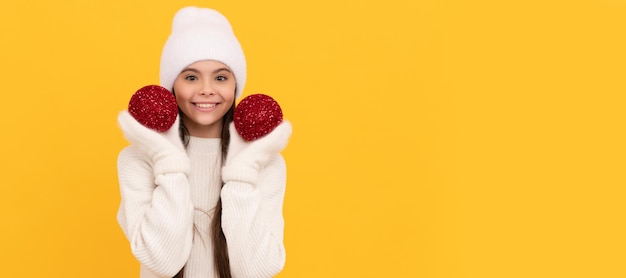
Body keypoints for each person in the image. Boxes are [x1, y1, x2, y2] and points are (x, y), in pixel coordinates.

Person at [116, 6, 292, 278]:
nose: (206, 89)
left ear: (236, 86)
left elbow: (255, 271)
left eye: (220, 77)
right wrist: (167, 161)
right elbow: (162, 263)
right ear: (171, 86)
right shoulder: (138, 160)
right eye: (190, 77)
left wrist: (242, 173)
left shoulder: (264, 162)